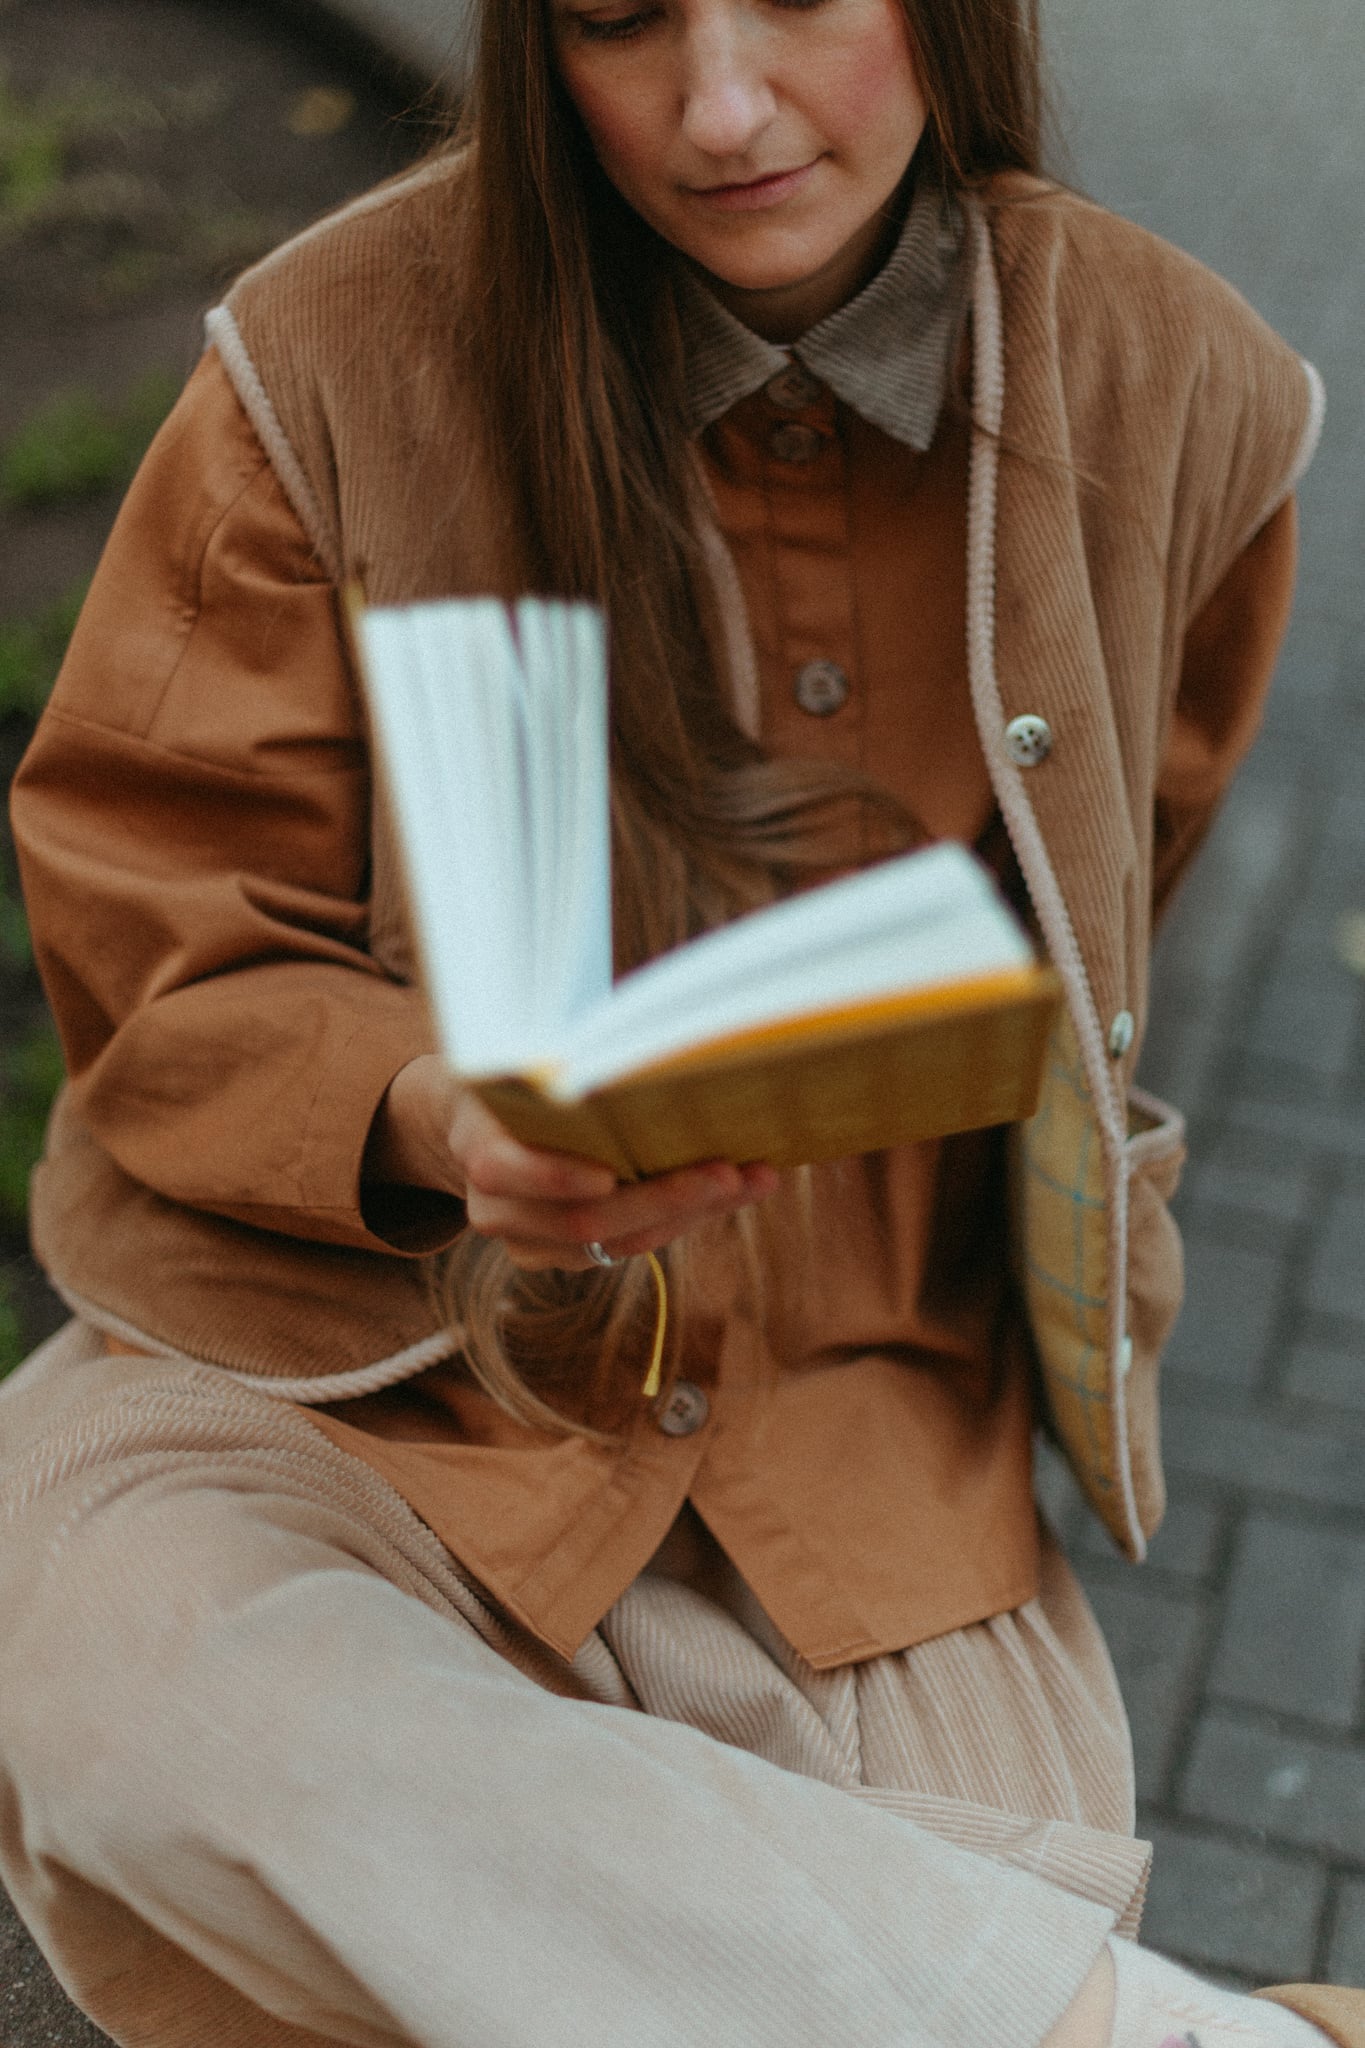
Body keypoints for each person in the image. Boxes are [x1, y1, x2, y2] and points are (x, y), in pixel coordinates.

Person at [0, 0, 1353, 2043]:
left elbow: (1098, 913)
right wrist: (436, 1114)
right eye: (625, 21)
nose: (719, 108)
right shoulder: (330, 366)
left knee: (969, 1870)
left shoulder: (1182, 391)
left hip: (868, 1449)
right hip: (366, 1378)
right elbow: (163, 941)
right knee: (113, 1674)